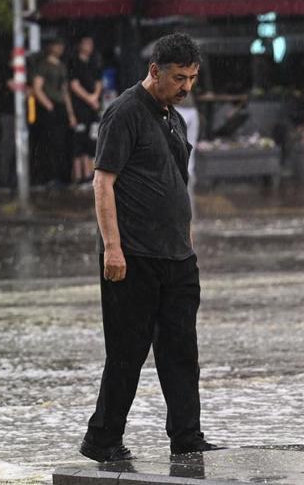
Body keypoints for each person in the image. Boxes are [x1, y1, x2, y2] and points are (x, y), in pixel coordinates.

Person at [80, 33, 218, 462]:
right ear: (154, 71)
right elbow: (103, 182)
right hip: (134, 256)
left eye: (192, 78)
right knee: (127, 353)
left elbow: (178, 185)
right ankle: (102, 441)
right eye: (179, 77)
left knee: (181, 352)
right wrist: (113, 249)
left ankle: (187, 438)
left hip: (177, 257)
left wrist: (188, 241)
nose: (186, 87)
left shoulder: (172, 117)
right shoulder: (124, 113)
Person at [32, 37, 76, 186]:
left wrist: (70, 113)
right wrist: (48, 105)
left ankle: (60, 175)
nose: (60, 49)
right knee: (49, 142)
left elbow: (65, 91)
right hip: (49, 107)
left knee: (62, 143)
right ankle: (49, 175)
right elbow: (37, 88)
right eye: (57, 46)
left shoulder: (62, 66)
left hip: (60, 106)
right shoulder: (43, 65)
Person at [68, 36, 103, 185]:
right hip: (80, 109)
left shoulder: (94, 63)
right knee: (79, 142)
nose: (89, 46)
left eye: (91, 43)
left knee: (93, 140)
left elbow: (99, 82)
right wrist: (89, 98)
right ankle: (80, 175)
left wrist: (95, 97)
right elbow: (74, 85)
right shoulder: (74, 63)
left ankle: (90, 175)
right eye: (86, 43)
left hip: (93, 109)